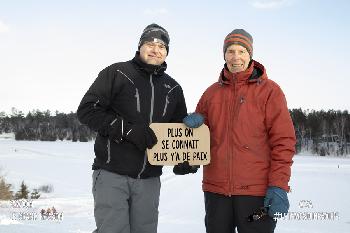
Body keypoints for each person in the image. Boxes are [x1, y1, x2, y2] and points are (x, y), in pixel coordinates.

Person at [77, 23, 189, 233]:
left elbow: (178, 132)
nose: (156, 49)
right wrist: (127, 130)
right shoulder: (117, 72)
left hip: (149, 179)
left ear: (167, 52)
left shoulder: (173, 88)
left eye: (162, 46)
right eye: (150, 43)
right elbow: (87, 110)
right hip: (112, 173)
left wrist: (185, 159)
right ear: (139, 46)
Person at [183, 29, 296, 233]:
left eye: (242, 51)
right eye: (231, 51)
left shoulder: (270, 91)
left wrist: (279, 185)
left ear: (250, 55)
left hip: (256, 193)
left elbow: (284, 141)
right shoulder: (211, 93)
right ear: (224, 55)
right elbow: (198, 140)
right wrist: (196, 126)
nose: (236, 57)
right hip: (216, 191)